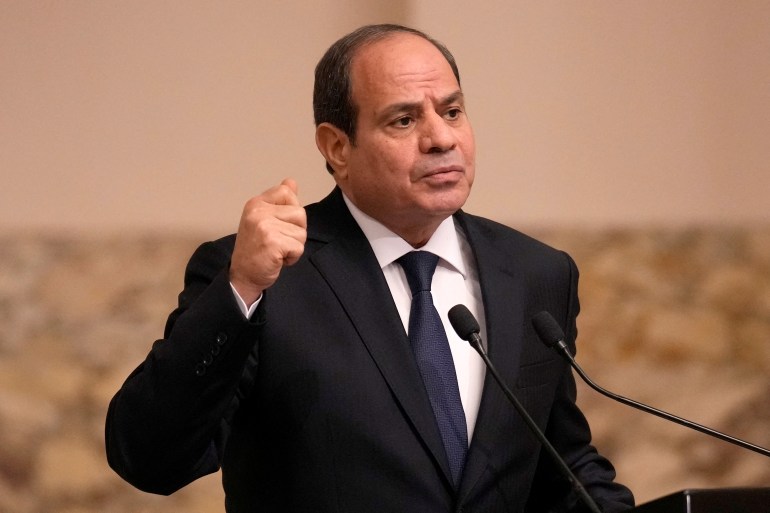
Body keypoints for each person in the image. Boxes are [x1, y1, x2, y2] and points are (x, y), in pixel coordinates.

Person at [105, 23, 635, 512]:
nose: (442, 139)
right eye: (404, 120)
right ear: (337, 146)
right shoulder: (265, 275)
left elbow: (557, 463)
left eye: (452, 112)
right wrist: (241, 290)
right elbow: (150, 457)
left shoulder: (537, 274)